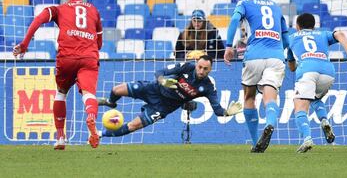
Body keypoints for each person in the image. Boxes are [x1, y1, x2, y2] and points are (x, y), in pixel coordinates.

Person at [13, 0, 103, 150]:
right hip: (89, 57)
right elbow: (99, 43)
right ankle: (91, 118)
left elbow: (37, 21)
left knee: (61, 93)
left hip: (66, 58)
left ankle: (60, 138)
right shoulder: (94, 10)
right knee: (88, 94)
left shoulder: (58, 9)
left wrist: (24, 44)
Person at [97, 55, 242, 138]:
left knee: (133, 126)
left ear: (210, 70)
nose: (201, 71)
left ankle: (99, 134)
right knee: (116, 90)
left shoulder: (209, 86)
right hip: (153, 89)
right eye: (200, 67)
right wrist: (162, 81)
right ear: (196, 64)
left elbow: (217, 109)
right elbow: (160, 71)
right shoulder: (186, 67)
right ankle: (110, 102)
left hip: (163, 107)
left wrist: (227, 112)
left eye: (205, 69)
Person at [224, 0, 289, 153]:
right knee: (270, 98)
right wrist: (287, 55)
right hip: (276, 56)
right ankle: (269, 123)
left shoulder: (244, 4)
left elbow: (234, 21)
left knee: (249, 98)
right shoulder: (276, 7)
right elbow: (286, 37)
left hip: (254, 55)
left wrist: (229, 46)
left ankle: (255, 143)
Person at [287, 13, 347, 153]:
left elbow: (291, 67)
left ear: (297, 26)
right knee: (315, 98)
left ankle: (307, 139)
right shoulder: (322, 34)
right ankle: (324, 120)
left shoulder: (291, 38)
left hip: (307, 70)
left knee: (300, 106)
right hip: (328, 72)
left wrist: (296, 62)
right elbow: (341, 34)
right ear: (314, 26)